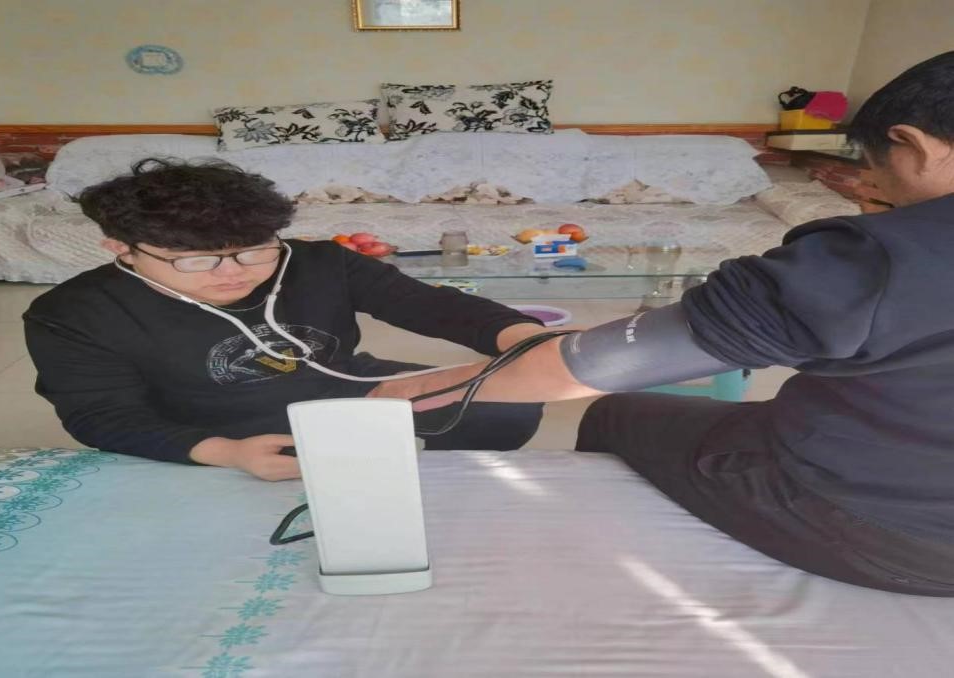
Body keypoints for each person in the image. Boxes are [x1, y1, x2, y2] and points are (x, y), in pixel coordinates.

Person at [371, 52, 954, 595]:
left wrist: (402, 395)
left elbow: (589, 367)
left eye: (874, 166)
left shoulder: (870, 258)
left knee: (615, 410)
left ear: (914, 144)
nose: (872, 186)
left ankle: (605, 569)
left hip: (893, 535)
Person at [24, 158, 548, 481]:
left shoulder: (319, 262)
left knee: (505, 409)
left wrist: (525, 335)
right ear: (121, 248)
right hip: (213, 424)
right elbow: (103, 416)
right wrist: (227, 453)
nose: (233, 273)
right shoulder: (72, 314)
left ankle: (439, 487)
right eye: (197, 260)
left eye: (254, 251)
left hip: (348, 387)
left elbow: (432, 305)